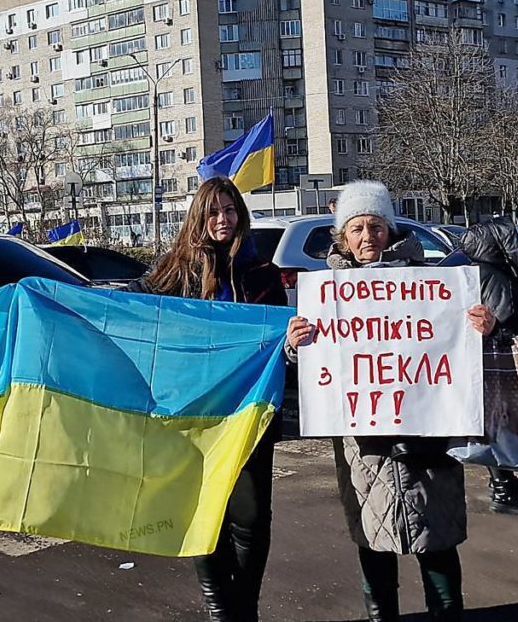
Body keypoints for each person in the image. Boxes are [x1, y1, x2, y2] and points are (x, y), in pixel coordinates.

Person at [285, 180, 494, 622]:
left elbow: (466, 351)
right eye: (357, 228)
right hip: (366, 451)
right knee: (373, 542)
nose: (367, 237)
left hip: (429, 442)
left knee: (437, 543)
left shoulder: (434, 285)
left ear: (391, 229)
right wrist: (295, 344)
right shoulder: (325, 294)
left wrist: (483, 328)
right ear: (343, 235)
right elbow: (308, 367)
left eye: (376, 226)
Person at [127, 176, 287, 622]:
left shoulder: (262, 276)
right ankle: (219, 608)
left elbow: (280, 338)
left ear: (241, 215)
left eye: (230, 210)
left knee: (251, 520)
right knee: (204, 512)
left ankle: (245, 609)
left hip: (249, 415)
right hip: (192, 417)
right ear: (199, 216)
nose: (223, 219)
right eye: (214, 211)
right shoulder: (174, 271)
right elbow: (131, 313)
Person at [459, 218, 518, 518]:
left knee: (497, 424)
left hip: (486, 360)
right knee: (501, 425)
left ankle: (507, 482)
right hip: (501, 361)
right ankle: (503, 489)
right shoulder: (493, 275)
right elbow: (507, 315)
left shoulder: (476, 272)